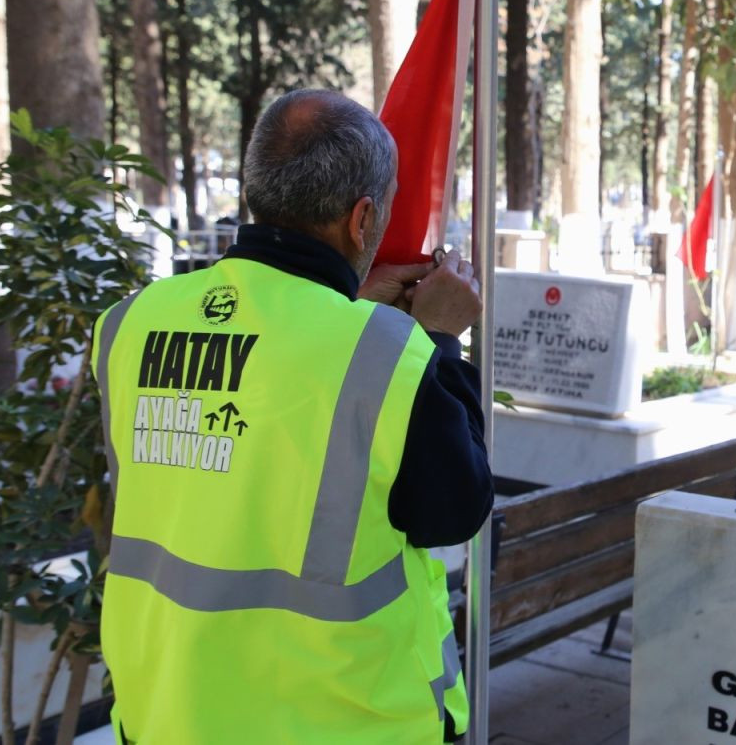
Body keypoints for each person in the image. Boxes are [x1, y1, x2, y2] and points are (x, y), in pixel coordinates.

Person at [91, 89, 491, 743]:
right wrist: (440, 338)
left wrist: (351, 305)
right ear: (362, 219)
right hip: (342, 721)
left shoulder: (129, 323)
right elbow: (452, 514)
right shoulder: (385, 353)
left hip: (168, 710)